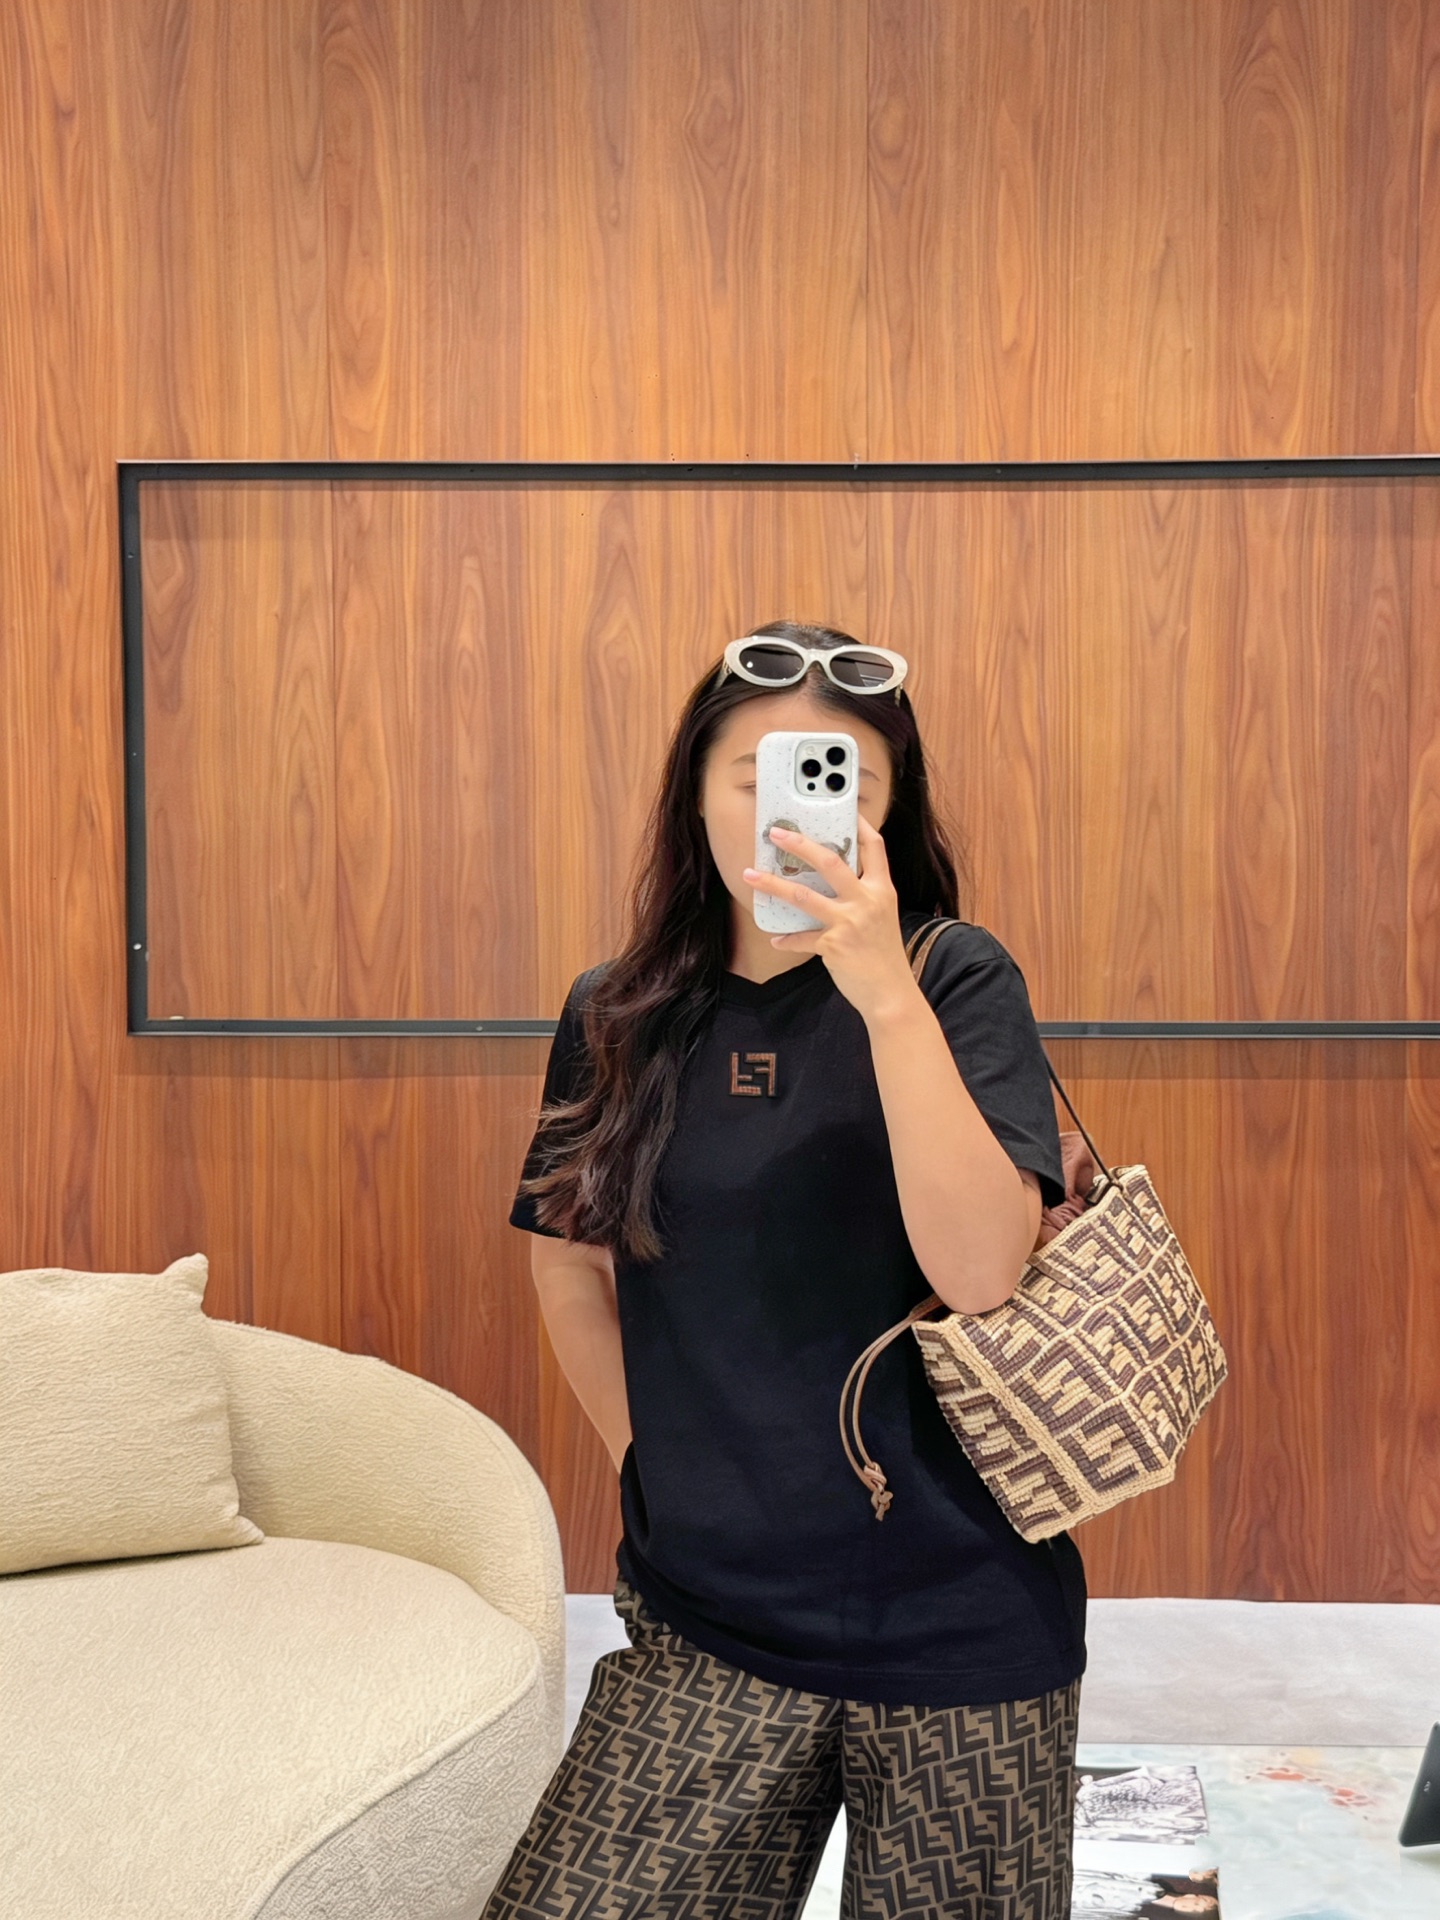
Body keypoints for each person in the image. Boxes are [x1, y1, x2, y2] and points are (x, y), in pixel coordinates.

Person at [485, 621, 1086, 1918]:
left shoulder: (954, 979)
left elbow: (983, 1273)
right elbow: (569, 1267)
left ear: (886, 807)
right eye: (751, 774)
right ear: (693, 793)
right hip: (705, 1612)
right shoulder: (617, 1013)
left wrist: (883, 996)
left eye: (831, 778)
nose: (784, 809)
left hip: (962, 1624)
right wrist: (656, 1460)